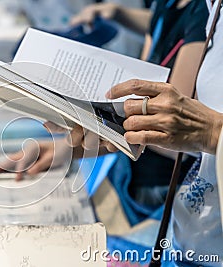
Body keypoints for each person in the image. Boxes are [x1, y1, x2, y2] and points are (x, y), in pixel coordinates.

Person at [0, 0, 209, 220]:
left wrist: (70, 146)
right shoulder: (168, 5)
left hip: (160, 185)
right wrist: (66, 147)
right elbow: (140, 93)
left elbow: (166, 130)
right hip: (132, 171)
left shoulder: (204, 13)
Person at [62, 0, 223, 264]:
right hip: (191, 233)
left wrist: (212, 131)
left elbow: (174, 131)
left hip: (160, 188)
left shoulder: (199, 12)